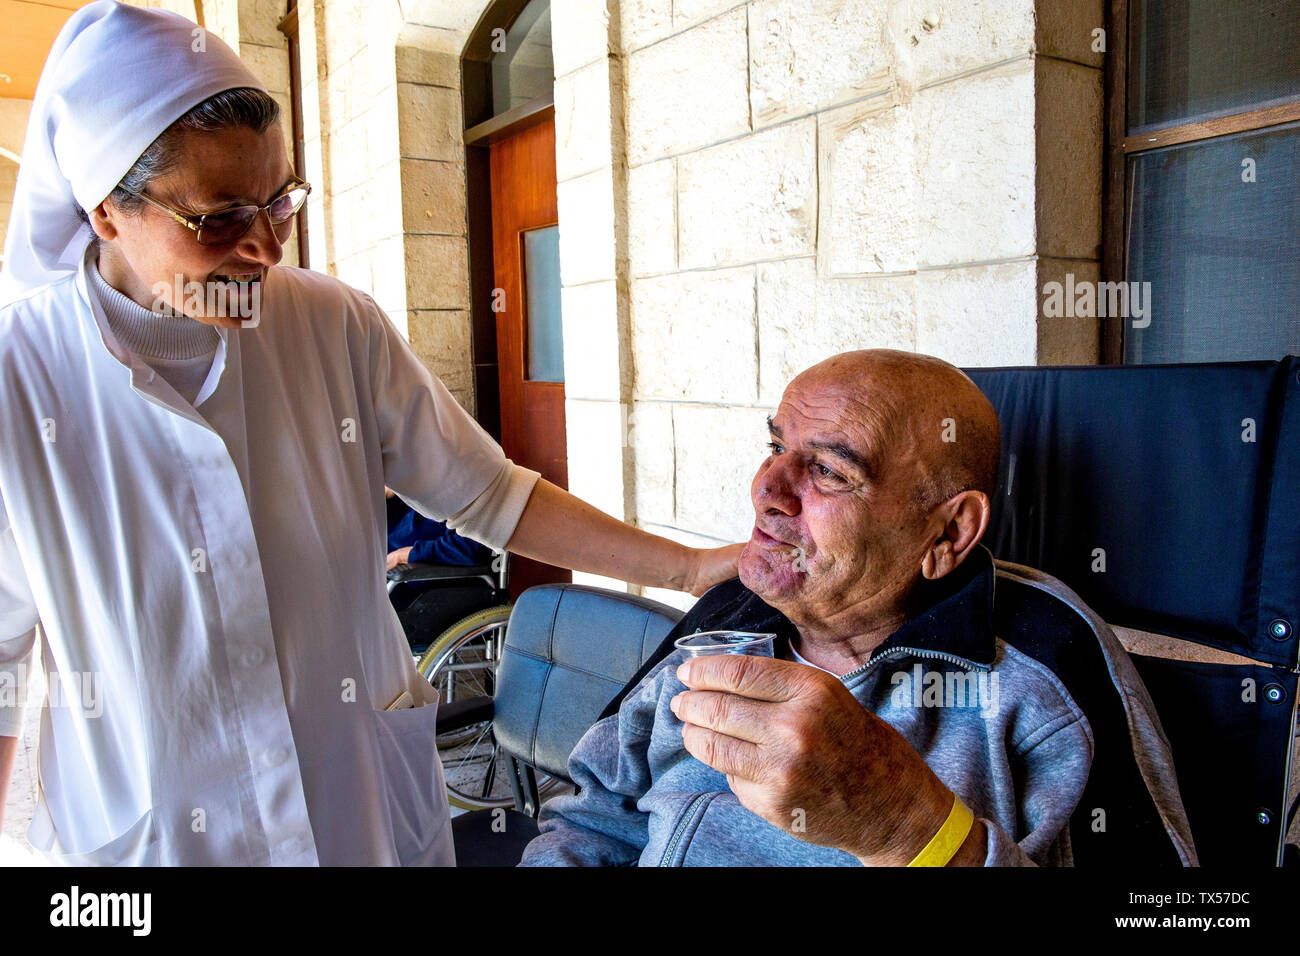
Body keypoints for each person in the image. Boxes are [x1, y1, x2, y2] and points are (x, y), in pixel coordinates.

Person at [0, 2, 738, 866]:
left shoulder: (330, 322)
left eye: (280, 201)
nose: (269, 250)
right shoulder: (21, 380)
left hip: (361, 808)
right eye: (221, 218)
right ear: (106, 213)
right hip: (154, 838)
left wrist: (688, 570)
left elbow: (488, 495)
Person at [521, 349, 1197, 866]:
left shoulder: (1045, 658)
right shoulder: (729, 613)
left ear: (949, 532)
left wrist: (910, 828)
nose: (767, 489)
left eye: (830, 471)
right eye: (777, 447)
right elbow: (592, 820)